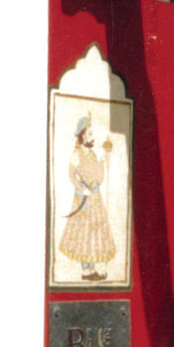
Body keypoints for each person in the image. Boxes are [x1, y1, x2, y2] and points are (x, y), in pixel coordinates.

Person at [56, 114, 115, 281]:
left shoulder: (93, 155)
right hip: (84, 198)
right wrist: (83, 190)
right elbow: (72, 176)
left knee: (96, 231)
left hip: (96, 197)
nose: (92, 137)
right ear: (82, 136)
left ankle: (93, 268)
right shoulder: (77, 154)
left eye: (92, 134)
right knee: (84, 232)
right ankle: (86, 270)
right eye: (89, 134)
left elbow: (100, 179)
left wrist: (103, 161)